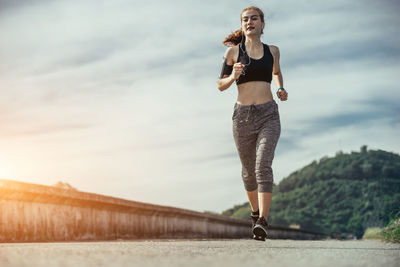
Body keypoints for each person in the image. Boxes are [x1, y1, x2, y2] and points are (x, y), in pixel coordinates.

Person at [217, 6, 288, 241]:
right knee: (248, 172)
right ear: (242, 25)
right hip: (242, 117)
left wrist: (280, 87)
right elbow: (220, 85)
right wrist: (233, 76)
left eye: (254, 19)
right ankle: (255, 214)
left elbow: (276, 72)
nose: (249, 22)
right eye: (245, 19)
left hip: (268, 114)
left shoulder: (273, 51)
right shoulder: (232, 53)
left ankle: (263, 221)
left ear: (262, 24)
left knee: (262, 166)